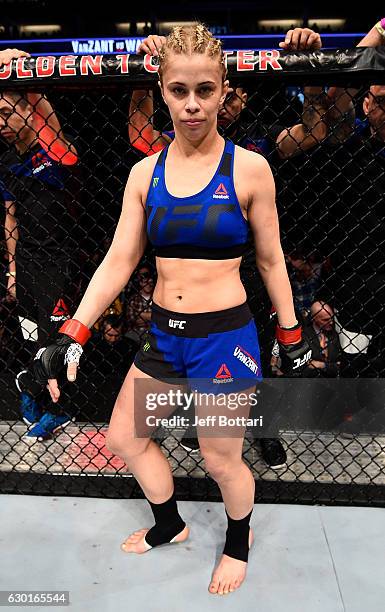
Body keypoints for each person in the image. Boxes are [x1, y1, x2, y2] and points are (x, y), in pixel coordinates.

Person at [30, 24, 311, 595]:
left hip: (223, 338)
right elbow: (118, 259)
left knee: (220, 458)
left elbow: (272, 259)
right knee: (124, 438)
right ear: (161, 89)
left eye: (205, 91)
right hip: (164, 335)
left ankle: (237, 539)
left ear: (224, 89)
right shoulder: (144, 174)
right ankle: (171, 523)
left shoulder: (250, 169)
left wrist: (291, 329)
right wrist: (74, 330)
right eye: (179, 91)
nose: (191, 105)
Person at [128, 29, 321, 468]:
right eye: (181, 90)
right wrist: (146, 71)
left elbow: (314, 131)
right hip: (195, 275)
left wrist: (311, 72)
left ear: (231, 95)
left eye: (216, 93)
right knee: (202, 372)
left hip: (245, 269)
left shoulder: (258, 145)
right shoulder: (169, 150)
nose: (198, 103)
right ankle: (205, 425)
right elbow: (140, 131)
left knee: (254, 361)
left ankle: (264, 431)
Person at [0, 48, 81, 439]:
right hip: (28, 261)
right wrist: (13, 270)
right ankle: (42, 397)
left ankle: (45, 398)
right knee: (32, 333)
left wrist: (23, 69)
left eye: (5, 113)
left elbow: (48, 116)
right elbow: (10, 217)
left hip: (61, 261)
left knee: (57, 340)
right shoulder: (5, 163)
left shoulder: (54, 148)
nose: (0, 123)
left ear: (27, 110)